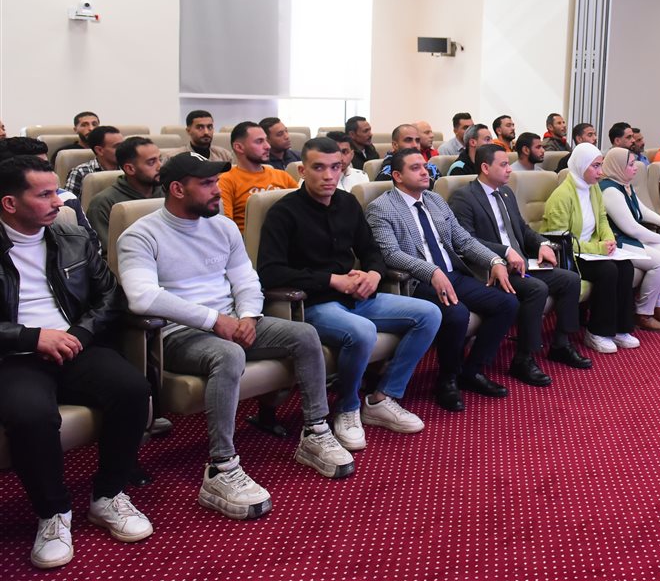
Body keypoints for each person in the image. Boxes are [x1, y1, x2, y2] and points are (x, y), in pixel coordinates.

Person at [119, 152, 355, 519]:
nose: (218, 190)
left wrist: (248, 316)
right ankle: (221, 468)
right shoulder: (140, 235)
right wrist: (215, 320)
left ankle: (315, 432)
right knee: (229, 354)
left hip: (233, 321)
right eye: (207, 184)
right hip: (178, 334)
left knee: (305, 335)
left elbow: (246, 279)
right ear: (178, 189)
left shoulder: (223, 226)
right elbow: (142, 297)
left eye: (216, 182)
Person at [0, 156, 153, 569]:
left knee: (132, 389)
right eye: (45, 194)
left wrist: (79, 335)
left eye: (56, 191)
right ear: (10, 203)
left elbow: (110, 296)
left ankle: (108, 495)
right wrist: (32, 337)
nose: (59, 201)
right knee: (31, 415)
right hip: (14, 356)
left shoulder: (72, 236)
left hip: (73, 343)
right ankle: (53, 513)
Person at [257, 139, 442, 447]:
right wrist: (332, 280)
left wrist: (373, 274)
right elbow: (270, 272)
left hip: (357, 295)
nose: (329, 175)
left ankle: (382, 398)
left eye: (335, 167)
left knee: (429, 314)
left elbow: (372, 251)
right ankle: (347, 407)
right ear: (302, 170)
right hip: (312, 303)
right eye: (319, 168)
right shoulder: (283, 213)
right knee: (362, 331)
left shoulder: (347, 203)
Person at [365, 148, 518, 412]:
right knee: (457, 314)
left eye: (425, 167)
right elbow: (391, 254)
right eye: (415, 168)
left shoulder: (435, 200)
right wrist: (431, 271)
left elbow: (463, 240)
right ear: (397, 176)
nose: (425, 172)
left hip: (452, 274)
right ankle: (447, 380)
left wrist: (494, 261)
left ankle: (472, 370)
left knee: (507, 303)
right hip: (417, 282)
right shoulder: (381, 208)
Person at [449, 145, 592, 378]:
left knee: (570, 279)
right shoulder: (464, 197)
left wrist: (543, 244)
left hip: (522, 263)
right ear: (485, 167)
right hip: (493, 269)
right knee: (537, 288)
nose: (510, 170)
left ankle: (561, 344)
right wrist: (505, 252)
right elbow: (467, 240)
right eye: (504, 164)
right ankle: (524, 358)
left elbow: (523, 230)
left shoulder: (506, 193)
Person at [543, 144, 640, 354]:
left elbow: (602, 218)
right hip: (570, 255)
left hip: (592, 251)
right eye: (595, 166)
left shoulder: (593, 188)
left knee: (626, 266)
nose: (601, 172)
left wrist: (608, 240)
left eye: (601, 165)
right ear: (581, 165)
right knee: (608, 270)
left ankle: (620, 328)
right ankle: (597, 332)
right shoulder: (562, 196)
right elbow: (561, 241)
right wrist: (598, 248)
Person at [599, 147, 660, 329]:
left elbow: (642, 211)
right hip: (618, 242)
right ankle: (643, 313)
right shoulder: (610, 190)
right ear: (617, 166)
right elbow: (631, 228)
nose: (636, 167)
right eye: (630, 164)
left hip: (630, 239)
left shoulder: (623, 184)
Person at [1, 137, 101, 250]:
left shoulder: (66, 199)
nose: (58, 203)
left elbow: (93, 247)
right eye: (36, 167)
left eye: (46, 166)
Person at [86, 136, 164, 257]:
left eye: (160, 159)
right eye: (151, 162)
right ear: (130, 169)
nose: (160, 166)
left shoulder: (168, 193)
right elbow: (108, 254)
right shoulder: (103, 203)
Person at [218, 121, 298, 232]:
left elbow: (302, 210)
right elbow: (226, 225)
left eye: (266, 140)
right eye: (259, 141)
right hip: (248, 239)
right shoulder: (226, 180)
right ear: (239, 147)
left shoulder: (283, 176)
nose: (268, 146)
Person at [64, 125, 122, 197]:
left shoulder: (128, 169)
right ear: (99, 150)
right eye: (117, 146)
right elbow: (70, 202)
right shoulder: (80, 172)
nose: (123, 149)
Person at [375, 124, 440, 185]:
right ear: (395, 145)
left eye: (417, 140)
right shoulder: (387, 175)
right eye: (408, 140)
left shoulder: (432, 168)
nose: (415, 145)